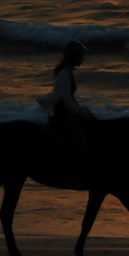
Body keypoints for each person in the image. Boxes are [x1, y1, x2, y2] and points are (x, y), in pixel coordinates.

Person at [36, 41, 95, 176]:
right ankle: (70, 173)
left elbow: (71, 99)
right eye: (81, 55)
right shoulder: (64, 75)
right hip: (63, 113)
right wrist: (80, 114)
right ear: (74, 57)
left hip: (67, 111)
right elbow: (67, 101)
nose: (83, 58)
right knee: (80, 141)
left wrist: (82, 112)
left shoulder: (67, 73)